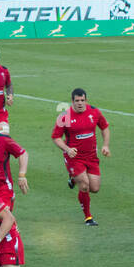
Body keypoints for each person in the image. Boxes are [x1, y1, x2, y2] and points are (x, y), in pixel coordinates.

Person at [51, 88, 110, 225]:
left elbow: (105, 128)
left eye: (82, 100)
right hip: (74, 157)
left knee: (94, 188)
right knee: (84, 185)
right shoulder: (64, 116)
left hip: (91, 157)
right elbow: (56, 137)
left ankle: (73, 178)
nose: (80, 103)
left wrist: (106, 145)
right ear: (72, 102)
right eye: (77, 101)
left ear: (86, 100)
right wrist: (67, 149)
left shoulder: (94, 112)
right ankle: (88, 217)